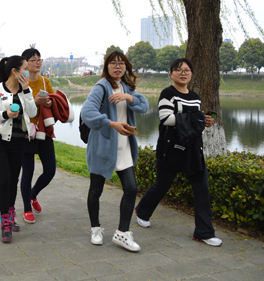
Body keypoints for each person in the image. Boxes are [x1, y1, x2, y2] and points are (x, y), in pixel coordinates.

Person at [135, 58, 222, 247]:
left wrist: (204, 121)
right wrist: (197, 118)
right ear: (171, 73)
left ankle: (204, 232)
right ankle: (142, 211)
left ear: (192, 74)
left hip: (193, 149)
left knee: (202, 189)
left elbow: (193, 123)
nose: (183, 73)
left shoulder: (195, 96)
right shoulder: (168, 93)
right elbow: (166, 118)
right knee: (162, 184)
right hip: (170, 149)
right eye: (179, 69)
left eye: (187, 70)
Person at [80, 51, 148, 252]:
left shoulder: (127, 87)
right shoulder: (101, 87)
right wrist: (111, 123)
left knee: (131, 189)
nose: (117, 66)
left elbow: (144, 107)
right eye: (113, 63)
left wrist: (128, 97)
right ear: (106, 66)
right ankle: (95, 229)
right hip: (103, 147)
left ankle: (122, 233)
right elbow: (87, 112)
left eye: (121, 63)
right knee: (96, 190)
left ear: (126, 67)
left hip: (124, 147)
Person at [0, 56, 36, 243]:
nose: (27, 71)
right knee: (4, 180)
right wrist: (5, 114)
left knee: (13, 180)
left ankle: (11, 212)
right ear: (15, 71)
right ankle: (5, 220)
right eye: (25, 68)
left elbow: (33, 112)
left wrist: (27, 91)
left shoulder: (26, 90)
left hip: (19, 142)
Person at [19, 47, 55, 224]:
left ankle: (33, 195)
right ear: (25, 63)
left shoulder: (45, 81)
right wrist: (35, 101)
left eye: (39, 59)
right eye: (33, 59)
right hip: (26, 131)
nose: (37, 62)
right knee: (28, 171)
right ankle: (27, 208)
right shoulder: (20, 82)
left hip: (43, 130)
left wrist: (48, 102)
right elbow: (16, 107)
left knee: (50, 170)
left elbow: (53, 100)